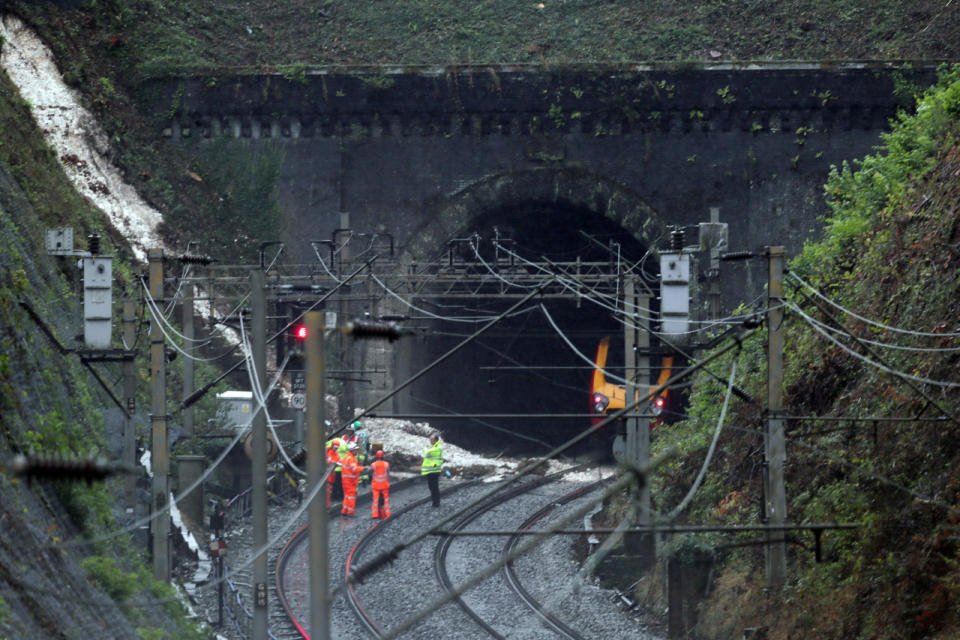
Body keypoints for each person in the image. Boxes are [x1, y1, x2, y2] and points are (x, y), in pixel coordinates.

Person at [339, 440, 364, 516]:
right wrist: (363, 468)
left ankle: (344, 510)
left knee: (347, 496)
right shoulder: (351, 459)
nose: (356, 451)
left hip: (345, 481)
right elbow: (354, 469)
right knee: (352, 497)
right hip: (350, 481)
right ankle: (350, 512)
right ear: (352, 450)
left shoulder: (346, 457)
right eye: (356, 450)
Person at [421, 433, 443, 507]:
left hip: (434, 471)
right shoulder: (434, 447)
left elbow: (428, 453)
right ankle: (435, 502)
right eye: (430, 439)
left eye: (432, 439)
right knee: (432, 487)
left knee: (434, 488)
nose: (430, 441)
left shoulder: (438, 447)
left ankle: (436, 503)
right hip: (431, 471)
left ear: (436, 440)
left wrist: (425, 449)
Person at [370, 449, 391, 519]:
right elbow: (388, 474)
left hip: (376, 485)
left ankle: (375, 515)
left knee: (375, 500)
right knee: (386, 500)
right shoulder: (386, 464)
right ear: (383, 456)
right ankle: (388, 513)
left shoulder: (373, 465)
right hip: (384, 485)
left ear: (376, 456)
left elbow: (371, 473)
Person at [325, 438, 341, 507]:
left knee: (329, 491)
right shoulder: (328, 451)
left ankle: (327, 506)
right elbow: (328, 461)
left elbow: (339, 461)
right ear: (332, 446)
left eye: (336, 448)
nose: (335, 449)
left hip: (331, 475)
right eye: (335, 447)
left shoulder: (336, 454)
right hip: (325, 475)